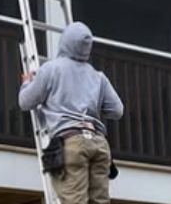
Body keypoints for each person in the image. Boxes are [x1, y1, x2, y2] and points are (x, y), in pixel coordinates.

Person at [18, 22, 124, 204]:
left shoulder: (51, 69)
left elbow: (26, 102)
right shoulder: (98, 77)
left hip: (71, 143)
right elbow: (117, 111)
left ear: (65, 42)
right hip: (99, 144)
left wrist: (27, 83)